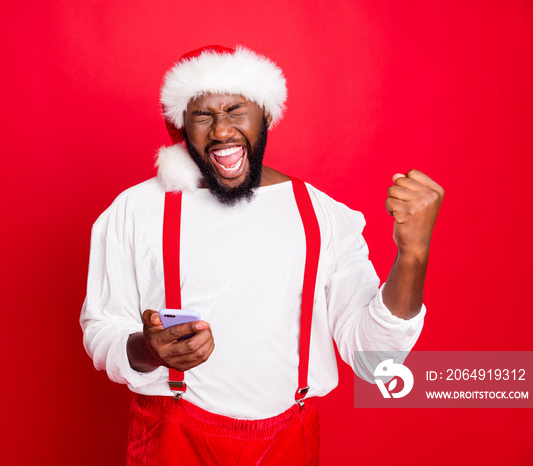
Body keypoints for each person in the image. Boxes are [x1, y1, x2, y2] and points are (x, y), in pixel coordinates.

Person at [80, 45, 444, 465]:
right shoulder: (135, 210)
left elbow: (375, 359)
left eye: (236, 110)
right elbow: (102, 329)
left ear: (266, 115)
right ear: (182, 126)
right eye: (203, 115)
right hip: (172, 441)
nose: (220, 131)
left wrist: (413, 254)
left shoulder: (322, 215)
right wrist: (148, 349)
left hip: (287, 445)